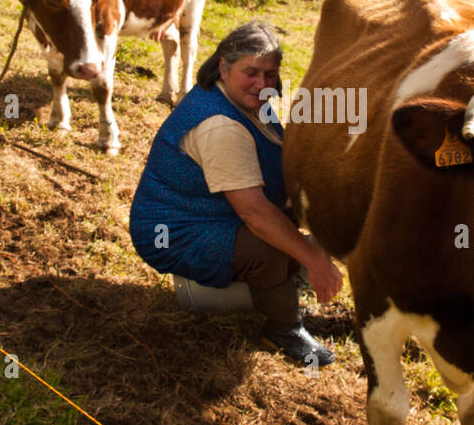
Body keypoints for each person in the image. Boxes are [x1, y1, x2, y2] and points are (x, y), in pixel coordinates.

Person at [129, 20, 344, 364]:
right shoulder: (219, 126)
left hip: (217, 208)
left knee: (298, 222)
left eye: (270, 74)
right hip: (178, 230)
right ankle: (283, 329)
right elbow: (255, 215)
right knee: (268, 246)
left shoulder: (252, 101)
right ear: (224, 68)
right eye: (252, 73)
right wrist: (314, 258)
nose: (263, 84)